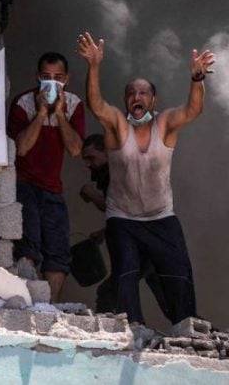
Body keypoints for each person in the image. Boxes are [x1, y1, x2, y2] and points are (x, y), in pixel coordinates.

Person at [76, 31, 215, 347]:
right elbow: (96, 105)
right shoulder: (117, 125)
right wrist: (94, 65)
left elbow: (192, 110)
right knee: (125, 272)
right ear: (126, 100)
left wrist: (197, 78)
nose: (136, 97)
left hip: (161, 217)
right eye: (131, 93)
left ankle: (186, 328)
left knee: (177, 274)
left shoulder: (164, 124)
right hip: (123, 218)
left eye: (143, 93)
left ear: (153, 100)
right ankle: (133, 328)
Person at [7, 52, 85, 302]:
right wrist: (41, 113)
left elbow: (75, 149)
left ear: (66, 79)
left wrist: (60, 114)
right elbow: (21, 148)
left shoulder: (73, 104)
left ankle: (49, 307)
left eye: (58, 78)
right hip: (24, 184)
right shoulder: (23, 103)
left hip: (53, 188)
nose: (52, 83)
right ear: (37, 78)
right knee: (27, 247)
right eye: (46, 77)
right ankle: (29, 303)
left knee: (58, 252)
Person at [81, 135, 171, 319]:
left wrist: (92, 194)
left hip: (147, 246)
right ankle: (199, 331)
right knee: (171, 302)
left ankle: (114, 331)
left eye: (91, 158)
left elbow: (120, 207)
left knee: (110, 291)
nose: (88, 164)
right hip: (153, 243)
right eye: (85, 159)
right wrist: (104, 232)